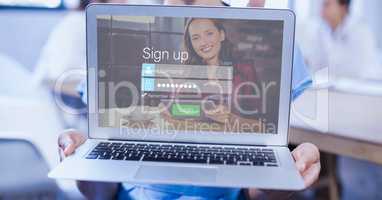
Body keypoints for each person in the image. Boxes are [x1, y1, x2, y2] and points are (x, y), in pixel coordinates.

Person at [57, 0, 321, 199]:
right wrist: (85, 165)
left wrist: (282, 177)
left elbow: (257, 190)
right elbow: (99, 192)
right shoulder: (123, 27)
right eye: (195, 38)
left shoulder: (271, 33)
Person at [299, 0, 381, 80]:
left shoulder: (360, 31)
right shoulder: (322, 31)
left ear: (343, 7)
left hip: (362, 87)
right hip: (336, 87)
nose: (321, 10)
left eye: (327, 5)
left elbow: (357, 71)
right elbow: (316, 63)